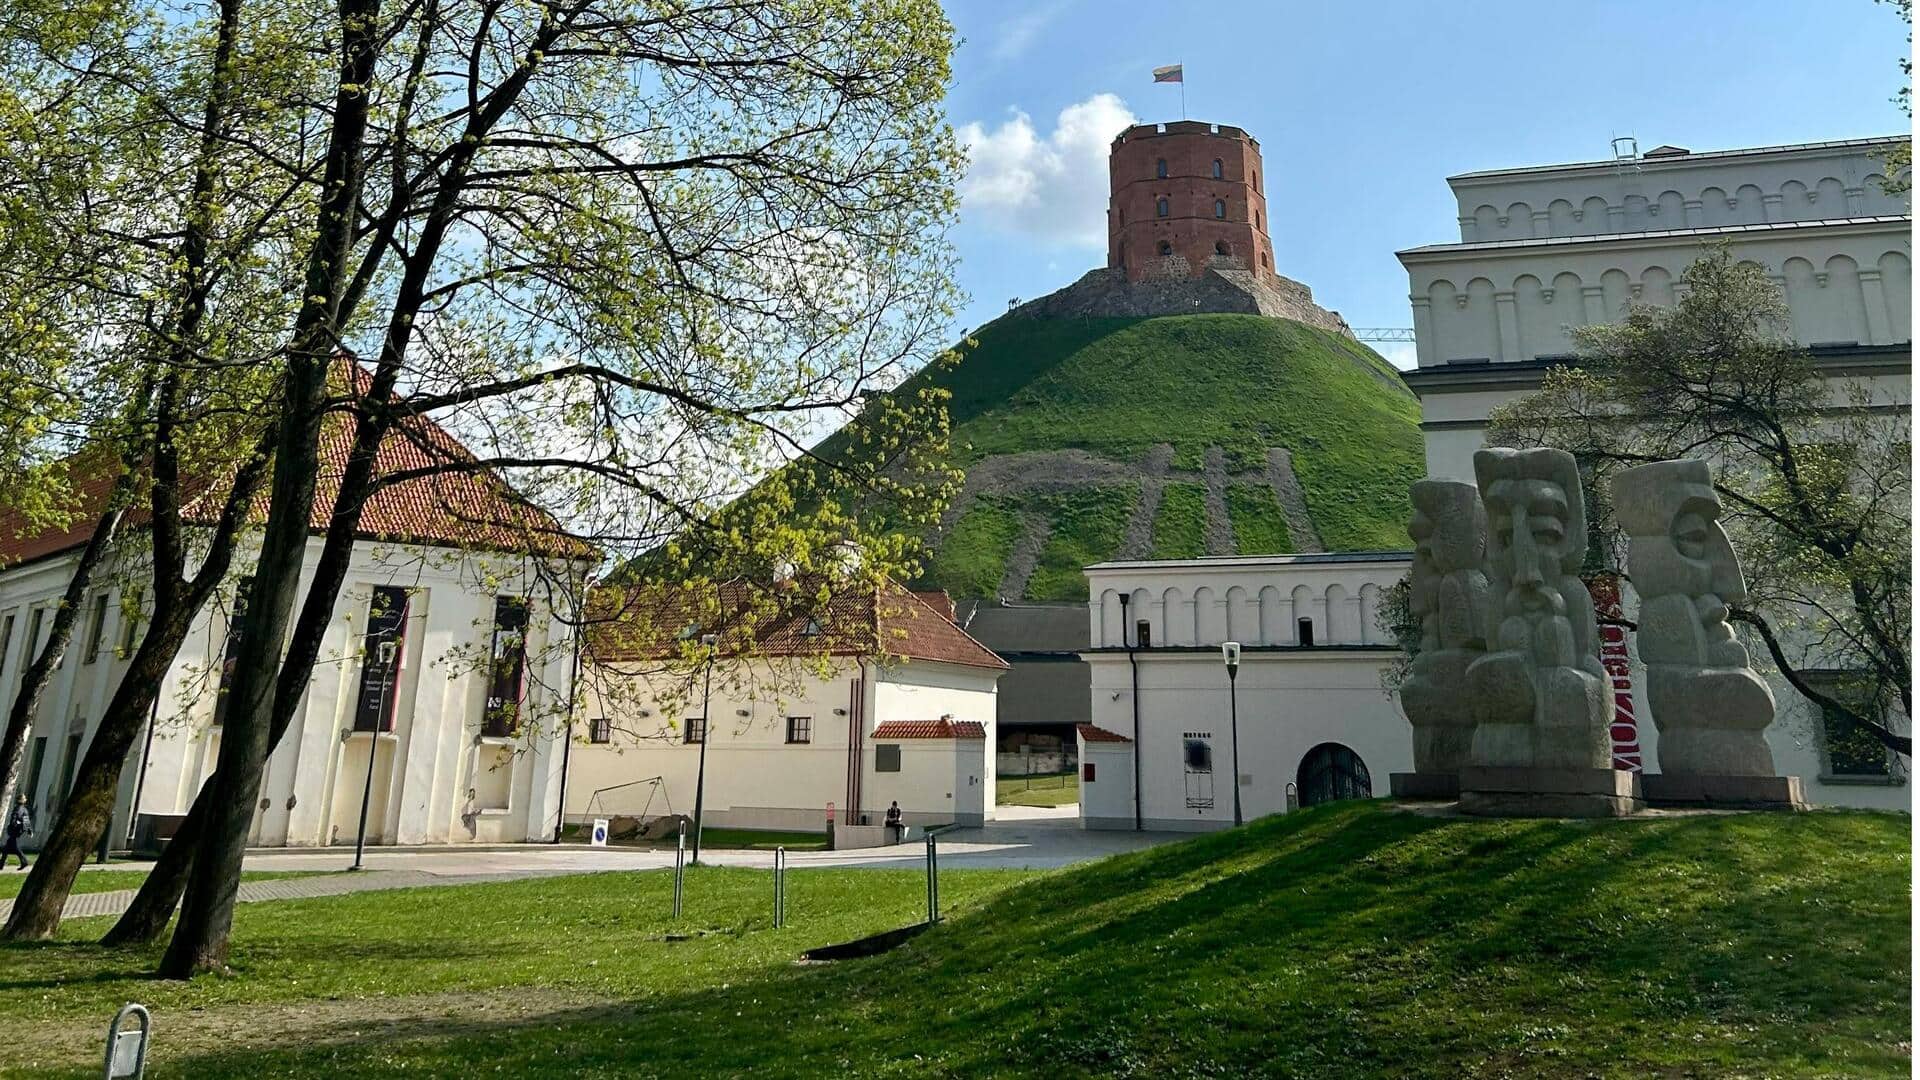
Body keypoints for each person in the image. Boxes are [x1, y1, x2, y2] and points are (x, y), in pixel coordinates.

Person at [4, 794, 30, 870]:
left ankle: (24, 862)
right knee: (6, 848)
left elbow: (14, 819)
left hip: (14, 830)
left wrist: (14, 824)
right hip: (19, 831)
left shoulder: (17, 808)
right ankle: (1, 863)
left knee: (16, 848)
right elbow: (26, 821)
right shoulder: (25, 809)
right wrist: (29, 830)